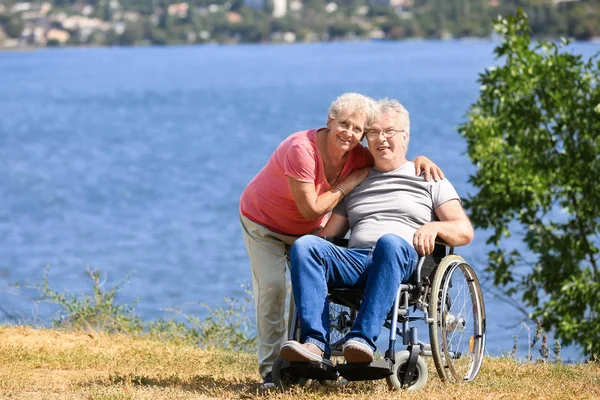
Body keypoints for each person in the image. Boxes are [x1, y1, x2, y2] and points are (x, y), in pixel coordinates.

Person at [239, 93, 445, 386]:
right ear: (329, 121)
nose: (350, 133)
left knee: (386, 242)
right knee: (279, 280)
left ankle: (359, 341)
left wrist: (420, 165)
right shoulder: (304, 150)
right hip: (265, 222)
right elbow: (316, 216)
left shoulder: (416, 174)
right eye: (344, 124)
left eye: (358, 129)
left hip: (394, 251)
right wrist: (347, 189)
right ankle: (287, 363)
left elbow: (391, 153)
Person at [279, 99, 474, 366]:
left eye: (389, 131)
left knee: (389, 243)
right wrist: (303, 252)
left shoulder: (427, 177)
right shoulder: (357, 180)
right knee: (306, 246)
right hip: (357, 261)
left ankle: (361, 341)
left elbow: (464, 231)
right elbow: (327, 236)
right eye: (373, 133)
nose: (381, 139)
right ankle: (314, 344)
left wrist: (435, 226)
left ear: (405, 136)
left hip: (403, 260)